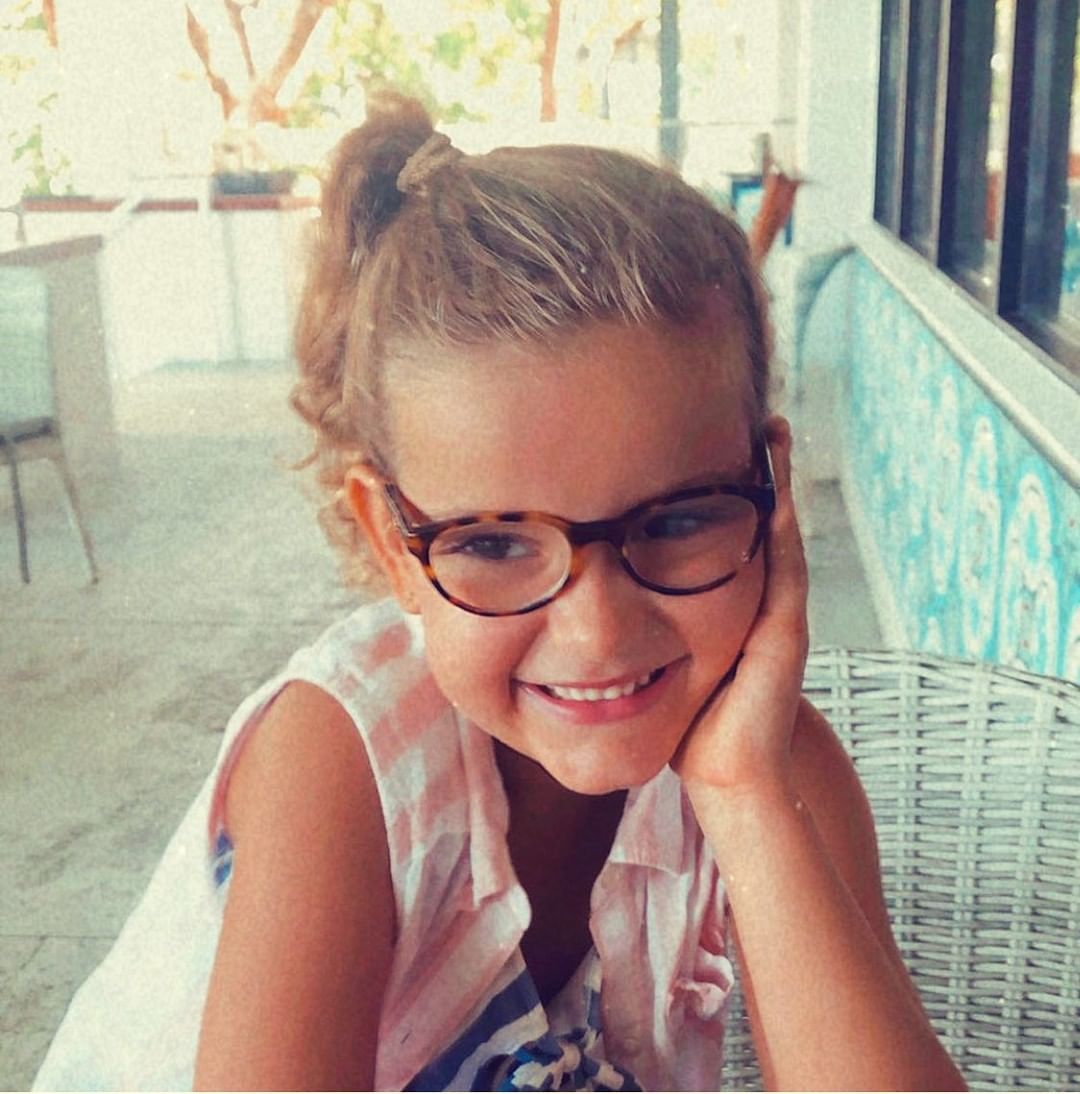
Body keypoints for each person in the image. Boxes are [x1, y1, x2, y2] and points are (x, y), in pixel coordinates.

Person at [34, 93, 965, 1092]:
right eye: (491, 542)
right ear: (393, 542)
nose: (598, 630)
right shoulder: (340, 763)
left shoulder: (772, 763)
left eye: (677, 519)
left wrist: (746, 797)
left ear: (770, 493)